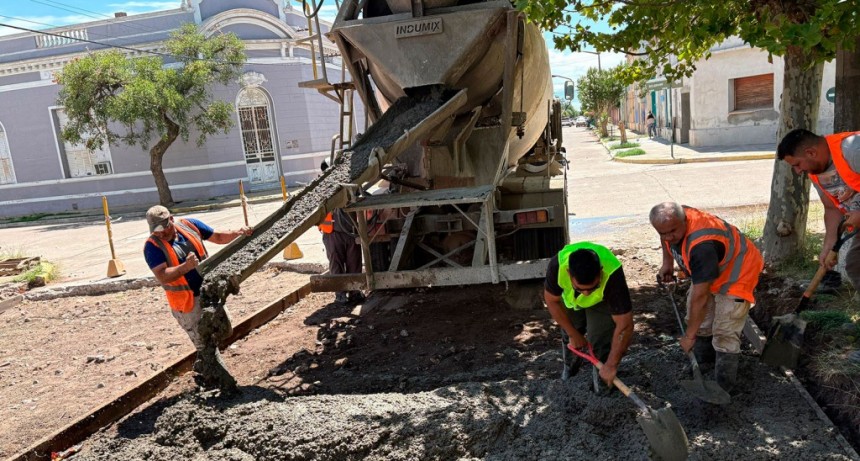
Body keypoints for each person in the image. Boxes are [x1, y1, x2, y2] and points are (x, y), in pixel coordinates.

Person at [650, 202, 764, 392]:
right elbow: (667, 237)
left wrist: (688, 336)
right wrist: (667, 262)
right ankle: (704, 363)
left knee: (725, 329)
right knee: (700, 320)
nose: (669, 237)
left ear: (684, 220)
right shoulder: (672, 220)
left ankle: (723, 384)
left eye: (673, 231)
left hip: (738, 271)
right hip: (711, 268)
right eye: (663, 233)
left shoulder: (702, 246)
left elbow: (700, 297)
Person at [143, 205, 252, 350]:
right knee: (204, 342)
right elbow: (162, 276)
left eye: (164, 229)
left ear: (171, 219)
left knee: (225, 331)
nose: (161, 234)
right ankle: (208, 368)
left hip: (209, 292)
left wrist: (238, 233)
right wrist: (186, 267)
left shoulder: (189, 225)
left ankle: (217, 358)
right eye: (156, 232)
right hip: (187, 303)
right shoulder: (152, 247)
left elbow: (218, 237)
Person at [777, 129, 860, 294]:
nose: (798, 171)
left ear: (811, 152)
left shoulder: (853, 149)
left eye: (797, 164)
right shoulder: (816, 172)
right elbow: (831, 208)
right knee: (856, 264)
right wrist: (829, 244)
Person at [544, 242, 634, 390]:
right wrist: (572, 333)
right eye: (581, 288)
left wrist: (612, 365)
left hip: (601, 301)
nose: (586, 293)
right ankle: (570, 371)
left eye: (593, 287)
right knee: (571, 333)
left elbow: (625, 325)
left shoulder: (612, 273)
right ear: (568, 273)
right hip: (572, 301)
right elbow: (551, 301)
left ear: (601, 271)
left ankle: (603, 384)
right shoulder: (557, 266)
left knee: (600, 338)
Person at [319, 161, 365, 305]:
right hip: (332, 233)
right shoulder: (322, 188)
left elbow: (359, 196)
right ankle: (340, 294)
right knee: (336, 264)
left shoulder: (351, 184)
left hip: (350, 231)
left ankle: (355, 292)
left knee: (354, 263)